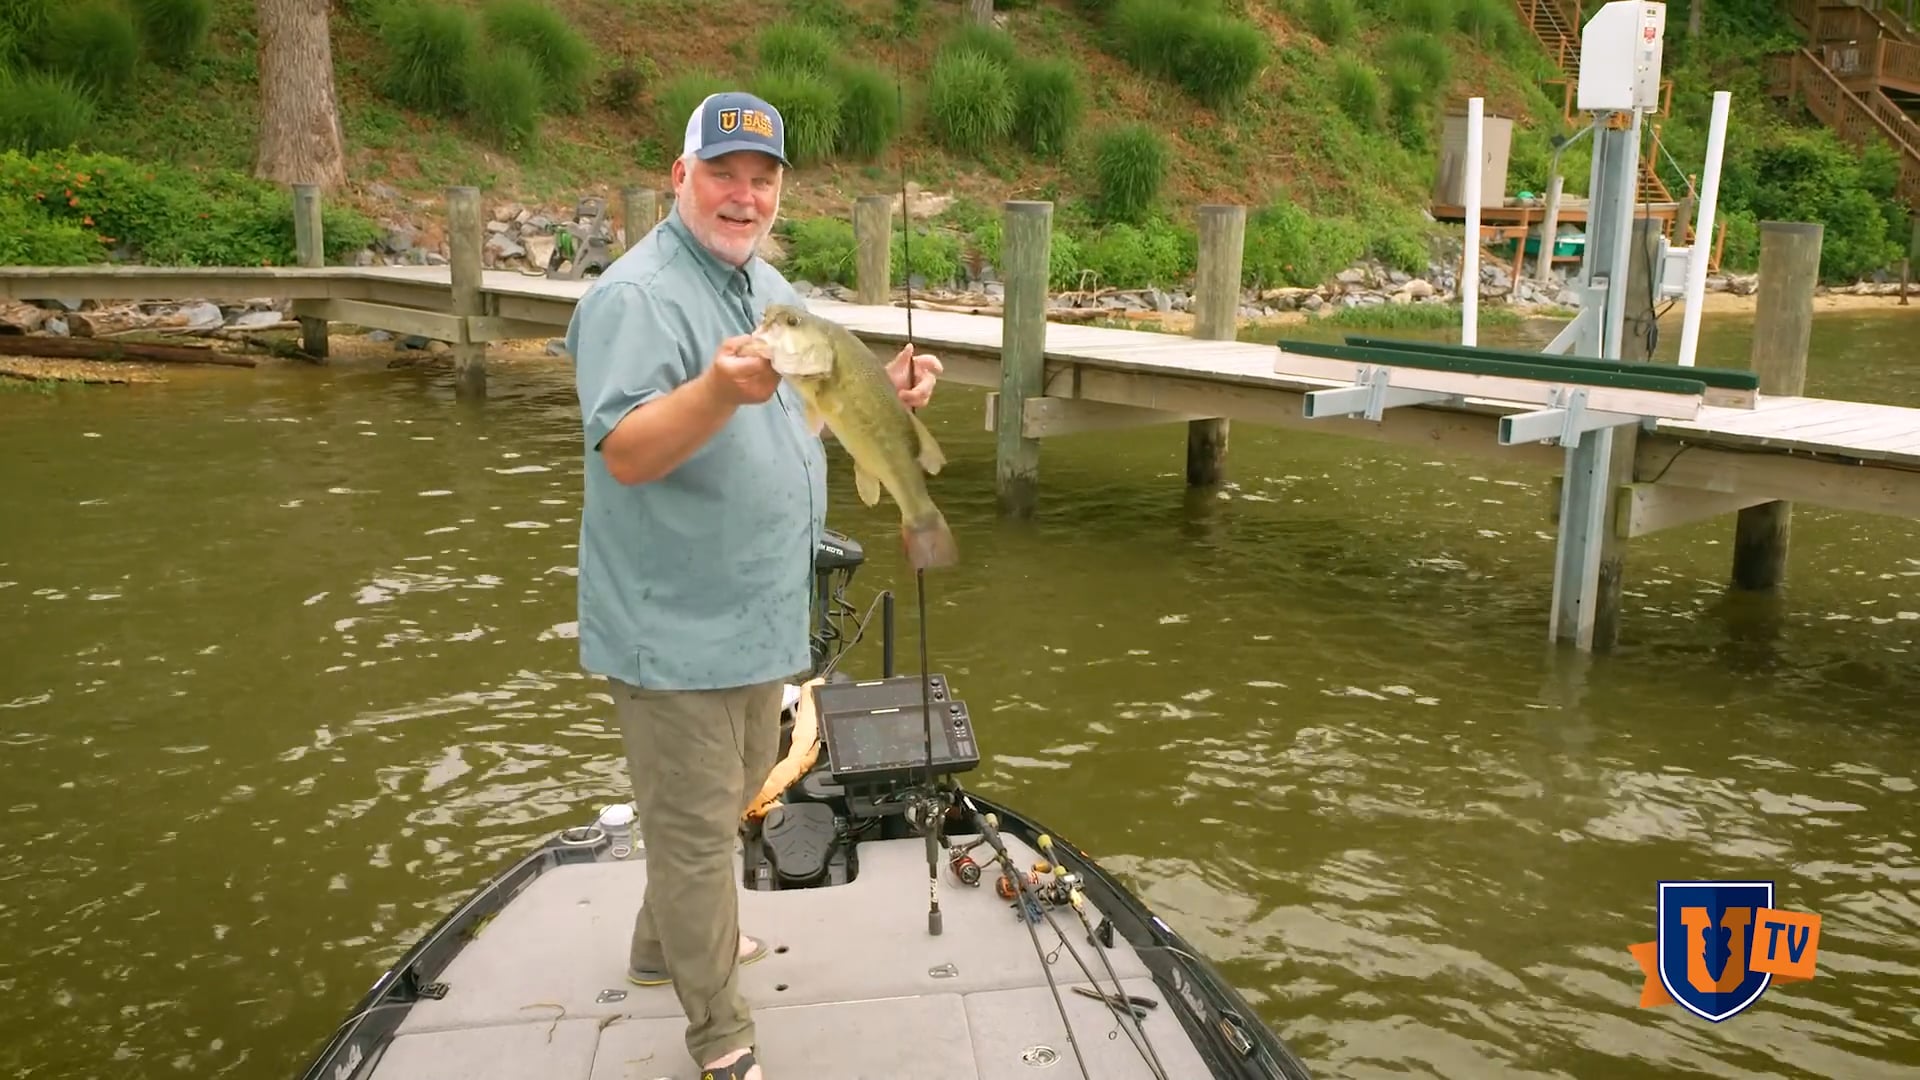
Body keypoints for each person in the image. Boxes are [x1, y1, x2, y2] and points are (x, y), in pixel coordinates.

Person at [563, 91, 943, 1080]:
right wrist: (715, 391)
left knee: (732, 793)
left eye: (761, 180)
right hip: (673, 624)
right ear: (678, 176)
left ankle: (660, 946)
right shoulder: (634, 298)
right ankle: (720, 1039)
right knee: (695, 835)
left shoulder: (759, 279)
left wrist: (879, 397)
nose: (743, 195)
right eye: (722, 174)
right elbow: (629, 453)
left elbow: (800, 407)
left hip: (757, 613)